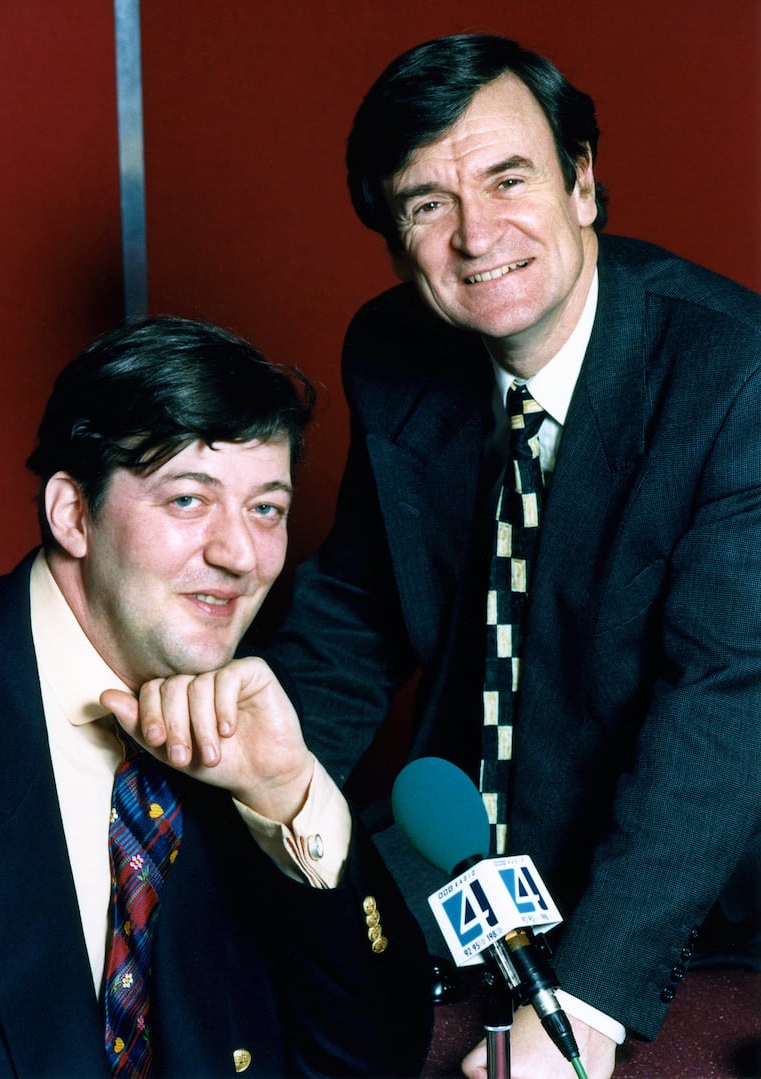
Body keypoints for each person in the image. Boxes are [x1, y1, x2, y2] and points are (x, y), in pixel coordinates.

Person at [257, 34, 761, 1079]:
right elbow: (355, 608)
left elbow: (724, 701)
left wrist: (587, 1002)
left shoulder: (731, 374)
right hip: (460, 855)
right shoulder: (392, 349)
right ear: (396, 238)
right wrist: (252, 793)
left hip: (688, 893)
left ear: (579, 182)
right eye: (425, 203)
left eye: (506, 178)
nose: (475, 235)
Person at [0, 316, 432, 1079]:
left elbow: (372, 1061)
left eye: (267, 509)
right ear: (73, 513)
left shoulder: (253, 734)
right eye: (188, 500)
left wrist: (290, 794)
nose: (240, 555)